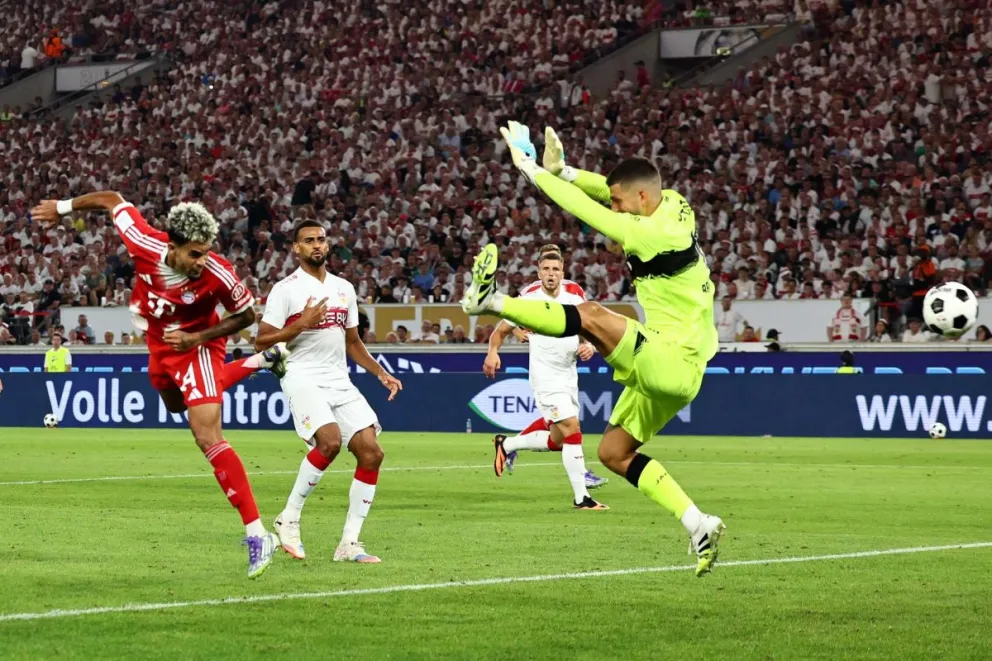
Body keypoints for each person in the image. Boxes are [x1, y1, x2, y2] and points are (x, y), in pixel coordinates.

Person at [463, 122, 725, 577]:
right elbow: (603, 191)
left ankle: (490, 302)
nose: (616, 208)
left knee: (590, 314)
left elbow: (583, 208)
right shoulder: (675, 205)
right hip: (681, 363)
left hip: (673, 361)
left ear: (641, 200)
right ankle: (698, 523)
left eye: (621, 203)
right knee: (614, 453)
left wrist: (529, 167)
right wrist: (564, 169)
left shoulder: (649, 234)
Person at [31, 192, 291, 579]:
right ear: (172, 247)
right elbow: (112, 199)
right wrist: (64, 208)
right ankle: (261, 362)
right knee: (175, 405)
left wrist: (198, 338)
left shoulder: (217, 273)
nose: (203, 261)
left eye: (206, 252)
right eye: (195, 254)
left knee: (206, 435)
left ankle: (257, 533)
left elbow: (245, 316)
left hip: (198, 345)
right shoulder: (143, 241)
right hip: (160, 344)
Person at [255, 220, 403, 564]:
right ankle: (288, 518)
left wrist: (380, 372)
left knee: (372, 453)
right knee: (330, 442)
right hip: (300, 375)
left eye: (321, 239)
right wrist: (300, 324)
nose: (317, 245)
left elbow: (353, 341)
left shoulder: (343, 288)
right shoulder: (286, 289)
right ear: (296, 248)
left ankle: (349, 543)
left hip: (338, 379)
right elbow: (261, 340)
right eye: (309, 241)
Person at [484, 245, 608, 510]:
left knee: (558, 440)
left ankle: (508, 444)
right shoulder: (528, 297)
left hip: (568, 373)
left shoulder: (575, 292)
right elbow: (500, 330)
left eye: (555, 269)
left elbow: (590, 326)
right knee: (572, 428)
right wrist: (493, 352)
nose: (551, 274)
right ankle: (581, 498)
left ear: (563, 272)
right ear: (538, 273)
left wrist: (590, 345)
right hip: (545, 376)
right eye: (546, 269)